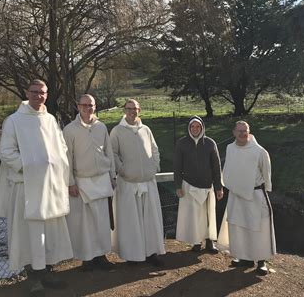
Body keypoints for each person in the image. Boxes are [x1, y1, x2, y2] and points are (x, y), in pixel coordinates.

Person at [0, 79, 73, 297]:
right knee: (29, 235)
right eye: (35, 92)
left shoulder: (50, 119)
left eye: (43, 92)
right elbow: (6, 152)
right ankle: (34, 278)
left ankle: (48, 271)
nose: (39, 96)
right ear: (27, 93)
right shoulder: (13, 121)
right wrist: (30, 167)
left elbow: (62, 147)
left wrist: (55, 165)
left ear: (47, 95)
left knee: (47, 233)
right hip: (26, 187)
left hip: (49, 186)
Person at [63, 94, 116, 271]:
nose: (88, 108)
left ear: (95, 106)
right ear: (78, 107)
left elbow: (109, 152)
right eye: (84, 105)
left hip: (101, 180)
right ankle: (87, 259)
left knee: (101, 222)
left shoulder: (101, 127)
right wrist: (70, 182)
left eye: (91, 105)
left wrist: (112, 176)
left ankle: (102, 256)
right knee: (85, 225)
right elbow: (66, 159)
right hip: (81, 183)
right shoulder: (69, 130)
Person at [110, 99, 165, 266]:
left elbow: (154, 150)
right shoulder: (117, 131)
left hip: (148, 182)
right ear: (124, 110)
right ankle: (132, 255)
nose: (132, 111)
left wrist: (154, 167)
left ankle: (151, 253)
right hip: (128, 184)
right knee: (130, 222)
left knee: (150, 220)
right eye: (129, 108)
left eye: (135, 108)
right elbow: (113, 153)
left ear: (139, 110)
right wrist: (123, 170)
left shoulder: (146, 130)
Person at [220, 121, 276, 275]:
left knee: (258, 228)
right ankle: (245, 258)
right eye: (239, 131)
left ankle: (261, 261)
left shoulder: (259, 151)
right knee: (240, 227)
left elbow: (266, 172)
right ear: (233, 132)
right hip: (236, 195)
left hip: (255, 195)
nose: (242, 133)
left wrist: (267, 189)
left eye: (245, 131)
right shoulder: (230, 148)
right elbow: (228, 169)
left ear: (249, 132)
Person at [174, 116, 224, 253]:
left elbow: (216, 166)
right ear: (188, 128)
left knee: (208, 215)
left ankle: (209, 242)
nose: (195, 129)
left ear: (202, 128)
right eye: (192, 126)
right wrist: (178, 185)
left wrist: (219, 187)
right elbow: (177, 166)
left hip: (207, 186)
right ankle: (196, 242)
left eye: (198, 127)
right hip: (189, 185)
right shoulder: (181, 143)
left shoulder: (210, 143)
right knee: (194, 216)